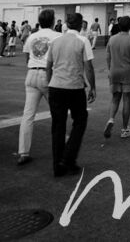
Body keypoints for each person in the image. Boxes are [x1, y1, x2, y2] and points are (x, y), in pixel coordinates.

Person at [46, 12, 96, 177]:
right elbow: (88, 67)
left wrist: (49, 84)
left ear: (66, 23)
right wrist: (92, 87)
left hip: (56, 86)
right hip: (74, 87)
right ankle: (69, 157)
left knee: (58, 126)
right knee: (80, 121)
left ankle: (57, 165)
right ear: (81, 24)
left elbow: (49, 65)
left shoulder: (55, 41)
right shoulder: (82, 41)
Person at [17, 9, 61, 165]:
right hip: (48, 75)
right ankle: (61, 145)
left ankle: (23, 151)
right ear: (53, 21)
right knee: (57, 113)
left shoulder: (32, 37)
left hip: (31, 73)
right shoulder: (57, 37)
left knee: (28, 115)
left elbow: (27, 56)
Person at [103, 16, 130, 139]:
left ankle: (111, 119)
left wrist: (110, 70)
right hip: (128, 72)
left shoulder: (112, 39)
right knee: (127, 100)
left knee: (115, 98)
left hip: (114, 71)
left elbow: (107, 57)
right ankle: (125, 128)